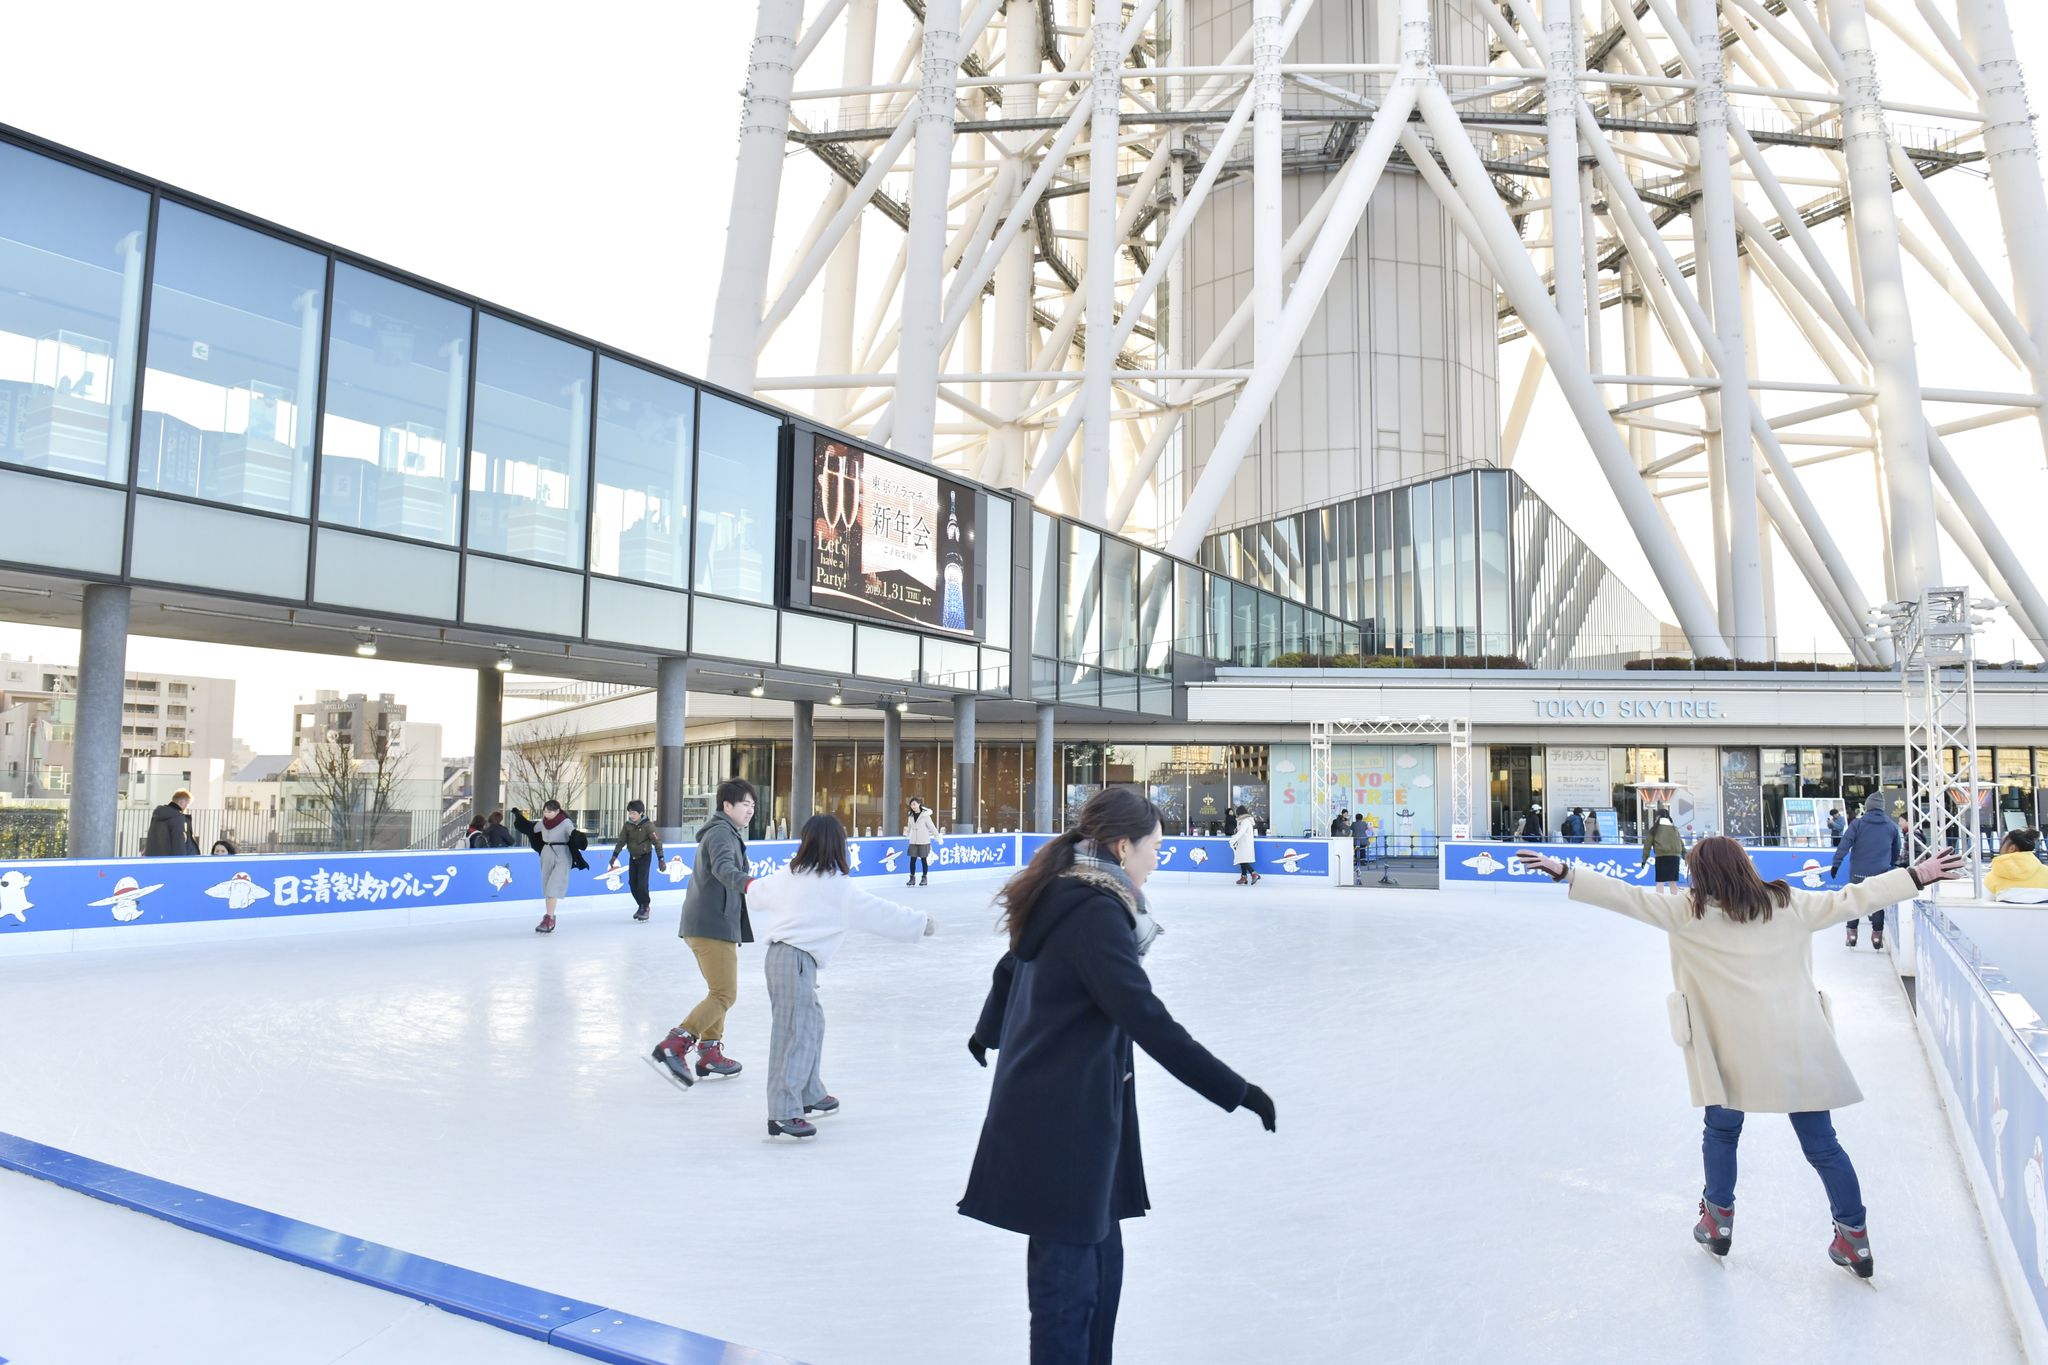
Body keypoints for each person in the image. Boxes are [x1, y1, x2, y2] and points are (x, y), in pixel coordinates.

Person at [1514, 838, 1966, 1280]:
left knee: (1722, 1131)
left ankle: (1717, 1222)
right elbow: (1854, 898)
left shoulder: (1686, 913)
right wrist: (1915, 875)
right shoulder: (1788, 905)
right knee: (1823, 1145)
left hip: (1726, 1047)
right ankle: (1854, 1237)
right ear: (1744, 866)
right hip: (1795, 1043)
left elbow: (1625, 897)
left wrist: (1564, 870)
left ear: (1701, 874)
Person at [960, 787, 1274, 1362]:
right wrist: (1237, 1091)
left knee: (1099, 1273)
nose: (1160, 857)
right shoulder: (1094, 912)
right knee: (1068, 1288)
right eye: (1155, 846)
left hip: (1071, 1109)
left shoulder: (1068, 894)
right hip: (1063, 1120)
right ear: (1123, 847)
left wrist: (989, 1031)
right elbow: (1147, 1019)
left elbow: (1012, 963)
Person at [749, 813, 935, 1139]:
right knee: (796, 1033)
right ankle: (782, 1111)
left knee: (811, 1024)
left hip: (783, 959)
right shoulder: (836, 887)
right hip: (795, 961)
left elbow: (756, 893)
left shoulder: (788, 875)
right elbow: (880, 913)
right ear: (839, 846)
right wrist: (920, 923)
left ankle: (809, 1092)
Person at [648, 779, 757, 1088]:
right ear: (727, 806)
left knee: (718, 992)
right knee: (725, 993)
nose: (750, 810)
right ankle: (676, 1043)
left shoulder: (724, 832)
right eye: (745, 804)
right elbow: (724, 869)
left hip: (711, 923)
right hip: (712, 924)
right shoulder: (722, 833)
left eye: (753, 805)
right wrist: (751, 884)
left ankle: (710, 1051)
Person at [1829, 794, 1904, 950]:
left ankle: (1852, 935)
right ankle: (1877, 938)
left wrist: (1836, 865)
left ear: (1868, 806)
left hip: (1858, 872)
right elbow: (1897, 850)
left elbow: (1844, 844)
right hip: (1879, 872)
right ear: (1882, 807)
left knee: (1854, 901)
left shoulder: (1858, 824)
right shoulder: (1891, 826)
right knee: (1876, 904)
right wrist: (1892, 864)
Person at [513, 801, 587, 934]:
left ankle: (549, 918)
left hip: (562, 854)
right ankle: (550, 917)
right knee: (547, 887)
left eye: (549, 811)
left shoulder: (565, 822)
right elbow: (530, 828)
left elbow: (573, 834)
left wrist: (579, 837)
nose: (546, 814)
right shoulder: (543, 823)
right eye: (545, 811)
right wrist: (519, 817)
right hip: (546, 853)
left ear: (557, 811)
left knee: (553, 887)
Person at [608, 799, 666, 923]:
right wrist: (614, 855)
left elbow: (657, 842)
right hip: (633, 857)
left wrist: (661, 859)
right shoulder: (627, 825)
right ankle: (641, 905)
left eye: (634, 813)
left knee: (642, 884)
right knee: (632, 884)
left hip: (645, 856)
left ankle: (645, 907)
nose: (631, 816)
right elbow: (621, 840)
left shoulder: (648, 825)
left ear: (640, 813)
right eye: (630, 813)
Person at [1986, 827, 2048, 904]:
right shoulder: (2046, 873)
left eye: (2002, 843)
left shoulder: (1993, 877)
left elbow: (1987, 904)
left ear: (2012, 848)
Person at [1641, 806, 1685, 892]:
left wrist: (1644, 859)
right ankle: (1674, 901)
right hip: (1674, 858)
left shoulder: (1655, 829)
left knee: (1660, 882)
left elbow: (1647, 845)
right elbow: (1681, 844)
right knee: (1673, 883)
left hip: (1661, 857)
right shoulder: (1674, 829)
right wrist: (1685, 856)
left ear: (1657, 817)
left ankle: (1659, 901)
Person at [144, 789, 199, 857]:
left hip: (154, 859)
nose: (187, 807)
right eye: (187, 804)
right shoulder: (177, 817)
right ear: (182, 802)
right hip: (170, 861)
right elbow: (179, 842)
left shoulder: (157, 816)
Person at [904, 796, 941, 887]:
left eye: (914, 804)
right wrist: (906, 833)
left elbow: (931, 827)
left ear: (919, 804)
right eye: (911, 804)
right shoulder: (911, 816)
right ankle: (912, 878)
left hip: (923, 840)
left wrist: (937, 836)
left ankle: (924, 877)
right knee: (912, 860)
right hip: (913, 841)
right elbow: (909, 827)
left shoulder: (925, 815)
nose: (913, 806)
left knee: (924, 860)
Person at [1228, 804, 1259, 885]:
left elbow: (1242, 832)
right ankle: (1244, 877)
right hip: (1242, 843)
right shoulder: (1241, 820)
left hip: (1245, 843)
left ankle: (1253, 873)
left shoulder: (1245, 821)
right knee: (1241, 859)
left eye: (1237, 813)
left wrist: (1233, 838)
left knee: (1242, 860)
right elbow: (1240, 831)